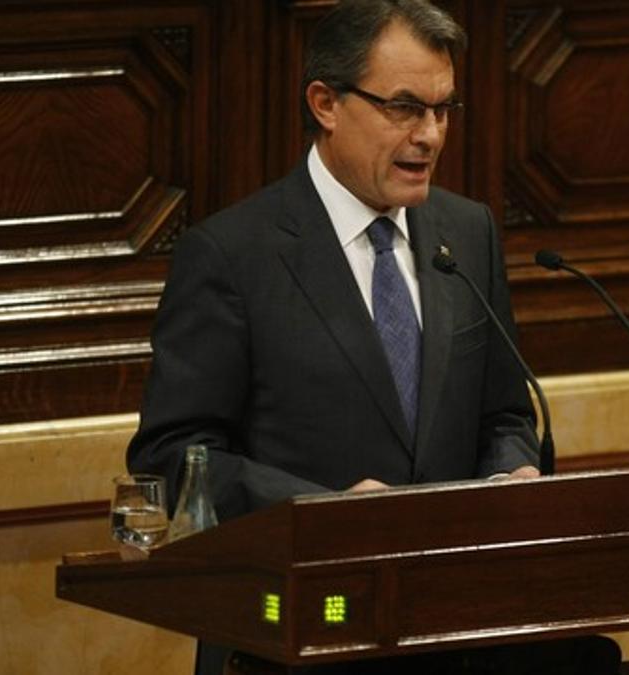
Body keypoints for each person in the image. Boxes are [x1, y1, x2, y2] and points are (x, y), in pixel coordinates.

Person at [127, 1, 541, 672]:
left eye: (442, 109)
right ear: (325, 103)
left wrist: (511, 468)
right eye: (404, 107)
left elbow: (504, 413)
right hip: (291, 635)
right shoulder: (234, 254)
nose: (431, 135)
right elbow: (173, 457)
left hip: (451, 633)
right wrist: (320, 514)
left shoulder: (468, 234)